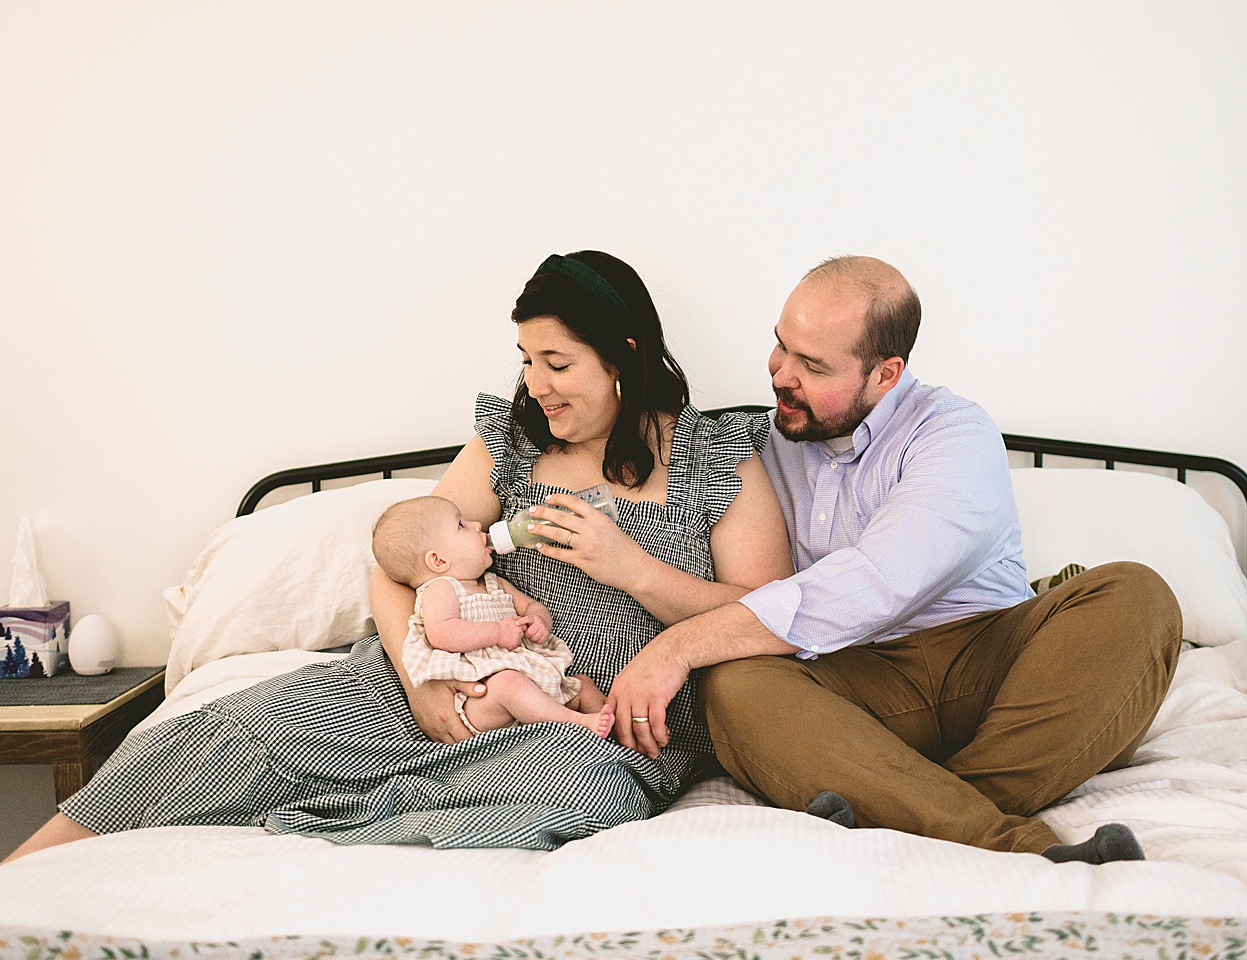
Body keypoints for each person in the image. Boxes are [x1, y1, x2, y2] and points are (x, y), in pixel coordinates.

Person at [5, 250, 792, 863]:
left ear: (623, 354)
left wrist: (634, 568)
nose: (536, 385)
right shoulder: (512, 444)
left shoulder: (712, 453)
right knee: (236, 725)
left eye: (558, 364)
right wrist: (418, 683)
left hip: (588, 723)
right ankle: (28, 872)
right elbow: (395, 566)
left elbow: (773, 610)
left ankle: (363, 816)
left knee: (574, 789)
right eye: (525, 359)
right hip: (439, 687)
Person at [606, 255, 1183, 866]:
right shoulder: (753, 446)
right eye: (781, 346)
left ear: (886, 374)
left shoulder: (953, 434)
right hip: (856, 689)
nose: (780, 374)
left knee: (1135, 594)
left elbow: (876, 583)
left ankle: (918, 807)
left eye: (813, 365)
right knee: (734, 683)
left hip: (991, 668)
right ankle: (973, 823)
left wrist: (676, 647)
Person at [371, 494, 614, 738]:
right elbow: (442, 633)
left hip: (530, 687)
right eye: (461, 525)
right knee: (509, 685)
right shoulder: (441, 588)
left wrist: (538, 620)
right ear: (438, 560)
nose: (477, 525)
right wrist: (497, 632)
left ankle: (615, 739)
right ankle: (576, 722)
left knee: (583, 686)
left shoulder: (493, 583)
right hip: (481, 699)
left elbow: (531, 605)